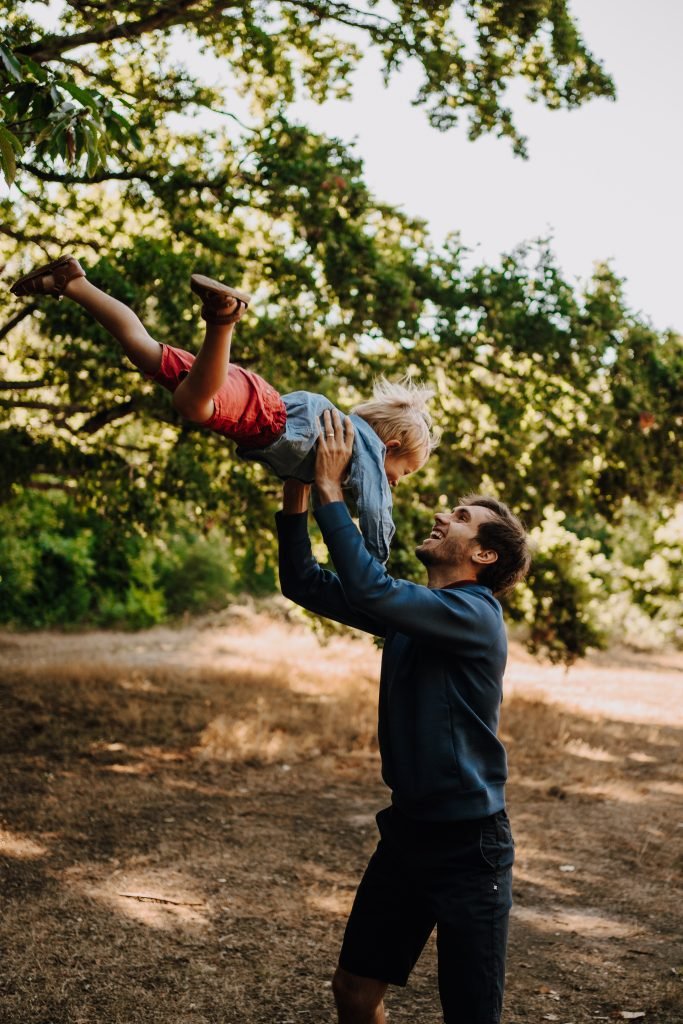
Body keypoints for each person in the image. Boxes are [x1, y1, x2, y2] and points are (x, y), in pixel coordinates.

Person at [276, 409, 531, 1024]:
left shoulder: (474, 615)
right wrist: (300, 480)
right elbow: (302, 581)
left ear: (484, 556)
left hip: (470, 847)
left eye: (462, 519)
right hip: (409, 835)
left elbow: (367, 588)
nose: (443, 514)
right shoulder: (416, 608)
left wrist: (336, 489)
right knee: (355, 993)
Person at [9, 256, 440, 561]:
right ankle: (224, 318)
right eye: (405, 472)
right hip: (261, 416)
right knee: (193, 407)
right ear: (391, 445)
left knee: (145, 352)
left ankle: (72, 282)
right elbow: (376, 511)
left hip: (250, 393)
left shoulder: (341, 437)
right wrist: (377, 561)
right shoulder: (364, 450)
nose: (396, 484)